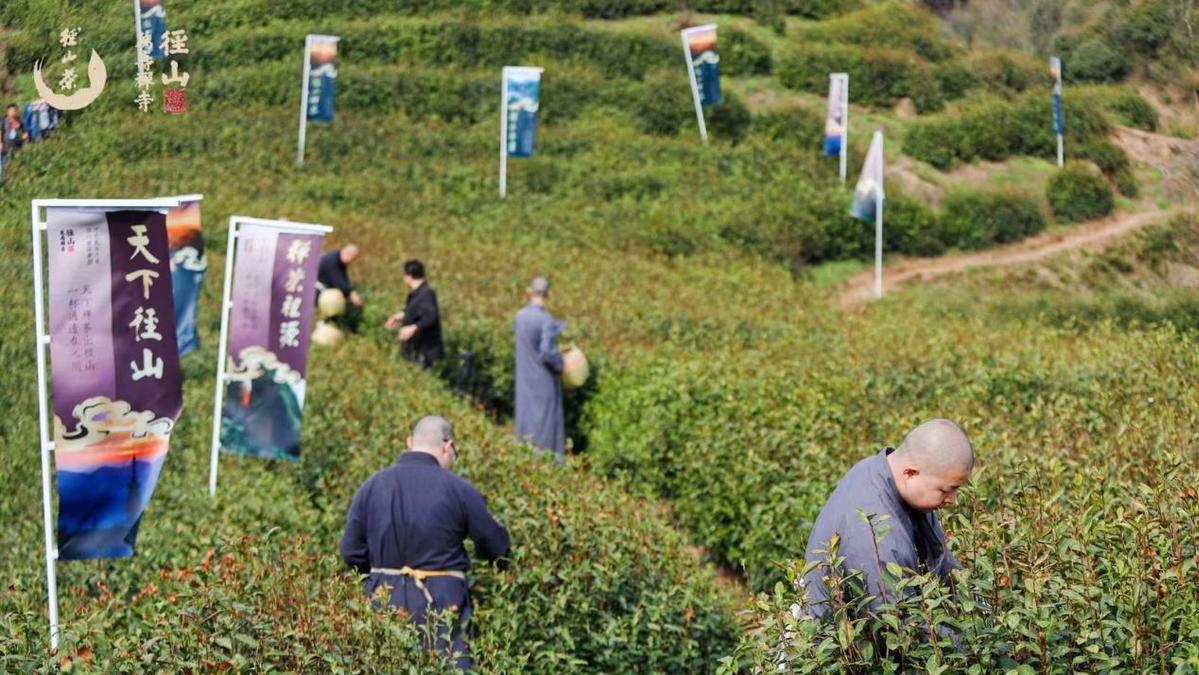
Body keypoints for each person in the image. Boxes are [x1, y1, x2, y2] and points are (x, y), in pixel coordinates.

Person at [339, 415, 510, 670]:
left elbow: (351, 551)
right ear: (447, 445)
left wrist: (381, 578)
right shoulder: (459, 488)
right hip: (444, 602)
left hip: (383, 599)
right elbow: (497, 546)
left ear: (410, 442)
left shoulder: (372, 486)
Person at [802, 419, 974, 617]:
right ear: (910, 473)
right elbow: (904, 627)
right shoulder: (875, 536)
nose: (953, 500)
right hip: (837, 643)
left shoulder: (881, 469)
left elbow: (947, 570)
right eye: (947, 490)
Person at [513, 276, 566, 461]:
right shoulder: (546, 320)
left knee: (526, 422)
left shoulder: (519, 317)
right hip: (543, 381)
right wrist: (561, 364)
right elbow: (547, 352)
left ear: (529, 292)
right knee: (546, 425)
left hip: (524, 378)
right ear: (548, 294)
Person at [385, 260, 445, 368]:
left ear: (409, 276)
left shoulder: (426, 293)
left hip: (425, 352)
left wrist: (414, 328)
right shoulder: (416, 293)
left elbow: (430, 316)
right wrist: (400, 315)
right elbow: (417, 312)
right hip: (416, 350)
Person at [316, 244, 363, 332]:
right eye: (352, 260)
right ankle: (324, 323)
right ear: (348, 255)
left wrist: (351, 291)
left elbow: (344, 279)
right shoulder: (332, 260)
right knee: (336, 300)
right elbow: (338, 282)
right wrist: (350, 294)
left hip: (325, 291)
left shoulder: (339, 260)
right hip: (318, 292)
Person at [2, 103, 28, 176]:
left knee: (16, 163)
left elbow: (25, 132)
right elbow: (1, 132)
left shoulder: (20, 121)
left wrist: (24, 138)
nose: (13, 112)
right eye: (11, 111)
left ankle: (14, 177)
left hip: (17, 146)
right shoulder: (3, 120)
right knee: (3, 164)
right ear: (7, 111)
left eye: (14, 110)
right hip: (5, 146)